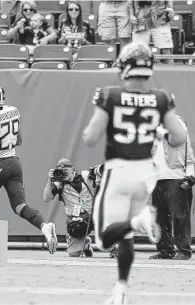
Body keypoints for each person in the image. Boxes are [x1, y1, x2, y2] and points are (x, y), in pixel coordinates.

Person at [82, 42, 187, 304]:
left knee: (106, 239)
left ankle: (136, 224)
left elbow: (90, 138)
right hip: (146, 175)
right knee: (126, 236)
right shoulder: (161, 98)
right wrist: (157, 130)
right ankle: (120, 290)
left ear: (125, 67)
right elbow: (180, 136)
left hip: (118, 171)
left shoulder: (110, 95)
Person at [0, 81, 58, 260]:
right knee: (20, 206)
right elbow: (19, 140)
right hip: (14, 163)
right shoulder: (12, 110)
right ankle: (44, 226)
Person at [149, 116, 195, 260]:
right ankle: (165, 250)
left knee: (179, 216)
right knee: (159, 217)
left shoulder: (175, 123)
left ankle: (184, 250)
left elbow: (178, 141)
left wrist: (190, 175)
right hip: (158, 179)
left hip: (176, 177)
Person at [43, 159, 102, 257]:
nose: (64, 174)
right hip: (78, 221)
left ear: (72, 170)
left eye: (65, 171)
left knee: (107, 225)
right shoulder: (59, 184)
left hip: (94, 215)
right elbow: (46, 198)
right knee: (73, 254)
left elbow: (101, 171)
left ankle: (115, 247)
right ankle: (85, 243)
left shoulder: (85, 176)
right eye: (61, 171)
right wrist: (50, 180)